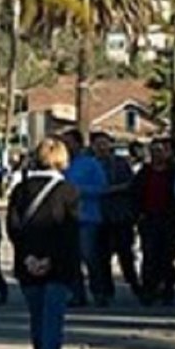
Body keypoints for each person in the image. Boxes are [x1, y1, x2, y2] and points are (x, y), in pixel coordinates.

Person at [6, 138, 81, 349]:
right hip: (58, 264)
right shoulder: (68, 191)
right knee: (53, 321)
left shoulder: (20, 191)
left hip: (27, 262)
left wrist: (28, 257)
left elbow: (14, 228)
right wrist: (51, 259)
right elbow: (69, 232)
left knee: (37, 319)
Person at [62, 131, 109, 307]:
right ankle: (77, 294)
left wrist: (78, 190)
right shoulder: (63, 164)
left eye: (69, 143)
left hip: (87, 217)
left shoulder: (91, 164)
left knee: (90, 256)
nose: (66, 147)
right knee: (71, 258)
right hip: (67, 218)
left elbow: (102, 188)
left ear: (78, 144)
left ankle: (99, 292)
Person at [91, 132, 140, 300]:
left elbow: (131, 184)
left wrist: (112, 190)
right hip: (99, 216)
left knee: (125, 253)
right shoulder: (91, 165)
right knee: (102, 256)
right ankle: (105, 290)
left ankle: (135, 286)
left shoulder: (120, 163)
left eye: (105, 144)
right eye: (98, 144)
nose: (102, 147)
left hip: (120, 215)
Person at [133, 138, 175, 305]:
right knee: (149, 255)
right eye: (153, 151)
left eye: (160, 151)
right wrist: (138, 214)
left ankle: (167, 289)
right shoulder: (145, 172)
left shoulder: (174, 172)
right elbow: (136, 193)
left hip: (169, 219)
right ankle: (149, 289)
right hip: (149, 218)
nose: (157, 154)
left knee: (168, 255)